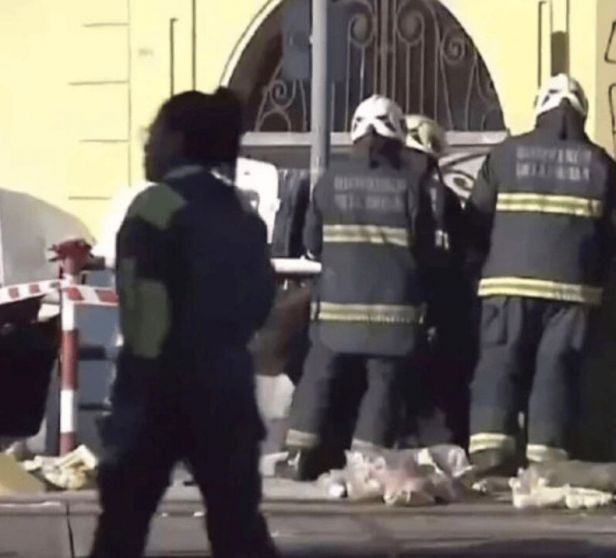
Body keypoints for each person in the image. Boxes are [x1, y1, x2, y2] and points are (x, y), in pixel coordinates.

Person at [90, 89, 278, 557]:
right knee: (239, 531)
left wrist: (131, 406)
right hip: (229, 392)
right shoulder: (239, 211)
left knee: (121, 530)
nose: (147, 145)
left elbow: (144, 319)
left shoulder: (156, 206)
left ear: (177, 139)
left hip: (163, 393)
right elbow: (259, 302)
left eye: (153, 134)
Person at [463, 74, 616, 474]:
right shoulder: (601, 163)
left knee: (500, 362)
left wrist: (485, 260)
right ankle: (547, 455)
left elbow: (475, 220)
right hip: (573, 291)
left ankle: (490, 450)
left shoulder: (505, 155)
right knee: (556, 368)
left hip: (506, 285)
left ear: (540, 108)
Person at [283, 95, 436, 480]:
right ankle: (366, 465)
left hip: (336, 311)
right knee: (381, 386)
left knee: (318, 378)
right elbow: (425, 248)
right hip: (393, 314)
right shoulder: (411, 186)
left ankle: (299, 457)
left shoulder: (330, 181)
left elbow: (312, 243)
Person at [401, 114, 474, 447]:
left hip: (398, 304)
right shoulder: (444, 196)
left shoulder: (395, 184)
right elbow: (464, 254)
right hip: (442, 309)